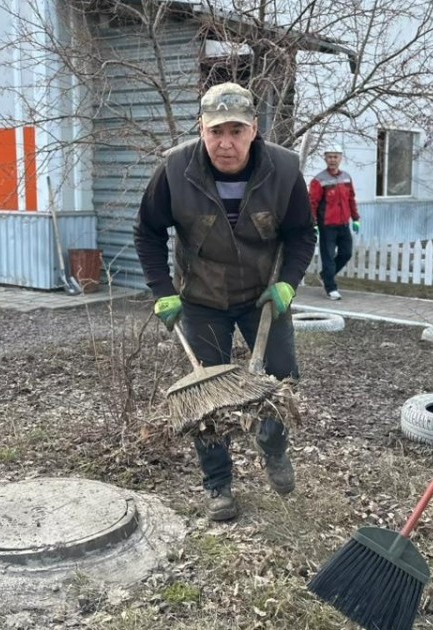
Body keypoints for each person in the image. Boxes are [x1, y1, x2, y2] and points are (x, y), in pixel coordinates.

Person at [133, 82, 317, 521]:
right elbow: (147, 233)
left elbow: (301, 234)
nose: (225, 143)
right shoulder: (176, 170)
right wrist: (163, 292)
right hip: (201, 299)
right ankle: (218, 484)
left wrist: (288, 283)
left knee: (279, 382)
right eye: (216, 131)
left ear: (254, 129)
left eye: (236, 130)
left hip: (263, 297)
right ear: (202, 129)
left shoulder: (284, 170)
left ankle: (272, 449)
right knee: (206, 398)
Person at [309, 147, 360, 300]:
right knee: (328, 257)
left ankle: (325, 276)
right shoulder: (319, 180)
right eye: (329, 157)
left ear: (340, 158)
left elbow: (351, 199)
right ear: (325, 158)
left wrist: (356, 218)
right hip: (327, 226)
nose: (332, 159)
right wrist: (314, 223)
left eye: (335, 157)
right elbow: (312, 203)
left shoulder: (346, 178)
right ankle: (331, 288)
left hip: (343, 224)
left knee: (346, 253)